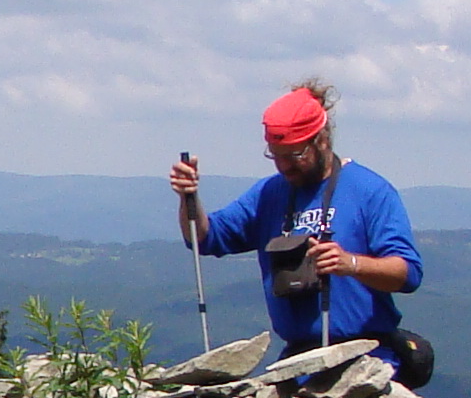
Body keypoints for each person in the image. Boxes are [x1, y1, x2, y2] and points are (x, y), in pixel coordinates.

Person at [167, 80, 428, 373]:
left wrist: (351, 264)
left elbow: (408, 274)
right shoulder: (269, 194)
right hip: (298, 359)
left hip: (367, 357)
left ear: (322, 139)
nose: (283, 166)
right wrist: (188, 197)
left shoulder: (370, 191)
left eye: (294, 155)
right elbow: (205, 238)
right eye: (275, 155)